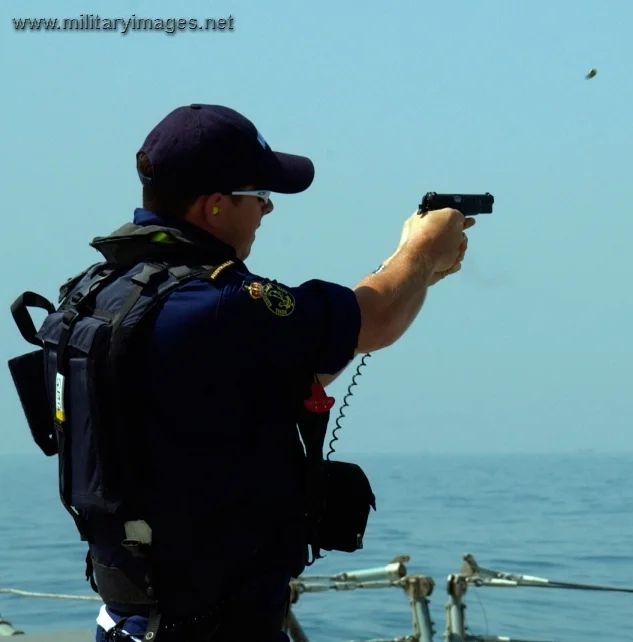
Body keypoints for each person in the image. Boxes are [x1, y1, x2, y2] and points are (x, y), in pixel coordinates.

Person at [25, 103, 474, 642]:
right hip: (216, 627)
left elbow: (265, 373)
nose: (267, 209)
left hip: (129, 616)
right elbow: (374, 320)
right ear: (215, 207)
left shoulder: (99, 295)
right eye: (259, 195)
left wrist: (411, 278)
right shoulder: (221, 306)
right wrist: (422, 252)